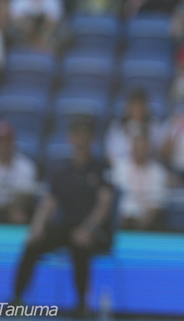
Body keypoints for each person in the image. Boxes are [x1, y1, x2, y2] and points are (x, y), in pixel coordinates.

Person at [12, 116, 115, 315]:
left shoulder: (101, 168)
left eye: (85, 136)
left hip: (95, 230)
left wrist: (88, 228)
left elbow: (105, 203)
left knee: (80, 244)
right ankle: (17, 298)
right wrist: (37, 226)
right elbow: (48, 203)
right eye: (77, 136)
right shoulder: (62, 171)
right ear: (70, 138)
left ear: (92, 140)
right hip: (67, 227)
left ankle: (82, 304)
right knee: (33, 244)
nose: (81, 141)